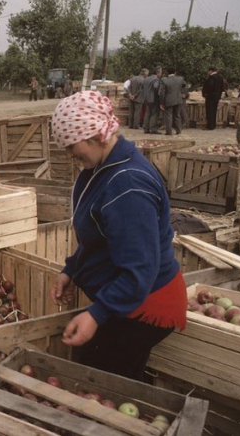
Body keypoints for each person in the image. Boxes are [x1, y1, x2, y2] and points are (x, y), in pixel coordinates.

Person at [49, 91, 186, 382]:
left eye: (72, 147)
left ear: (96, 135)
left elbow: (140, 270)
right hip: (127, 296)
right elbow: (100, 236)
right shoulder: (102, 166)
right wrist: (72, 268)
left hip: (146, 303)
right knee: (108, 369)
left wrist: (98, 314)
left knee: (102, 378)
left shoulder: (127, 186)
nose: (70, 155)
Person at [159, 67, 186, 135]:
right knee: (177, 115)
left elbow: (162, 93)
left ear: (167, 73)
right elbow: (184, 85)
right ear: (175, 72)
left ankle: (169, 131)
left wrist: (161, 102)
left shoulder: (165, 81)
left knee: (169, 116)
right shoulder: (180, 79)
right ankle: (178, 130)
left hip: (168, 100)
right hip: (178, 99)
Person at [142, 66, 163, 134]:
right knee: (154, 114)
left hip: (146, 98)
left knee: (147, 113)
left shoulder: (146, 79)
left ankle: (146, 128)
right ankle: (153, 128)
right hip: (153, 98)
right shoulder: (156, 80)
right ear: (158, 73)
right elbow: (156, 87)